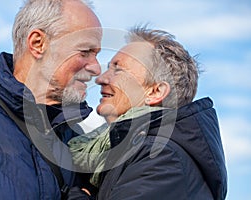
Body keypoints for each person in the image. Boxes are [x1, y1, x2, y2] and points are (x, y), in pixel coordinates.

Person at [0, 0, 102, 199]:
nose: (97, 68)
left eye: (96, 54)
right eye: (85, 52)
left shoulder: (78, 143)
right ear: (38, 44)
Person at [68, 26, 227, 199]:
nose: (101, 79)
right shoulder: (126, 150)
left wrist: (74, 195)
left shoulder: (161, 156)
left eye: (118, 69)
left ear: (155, 92)